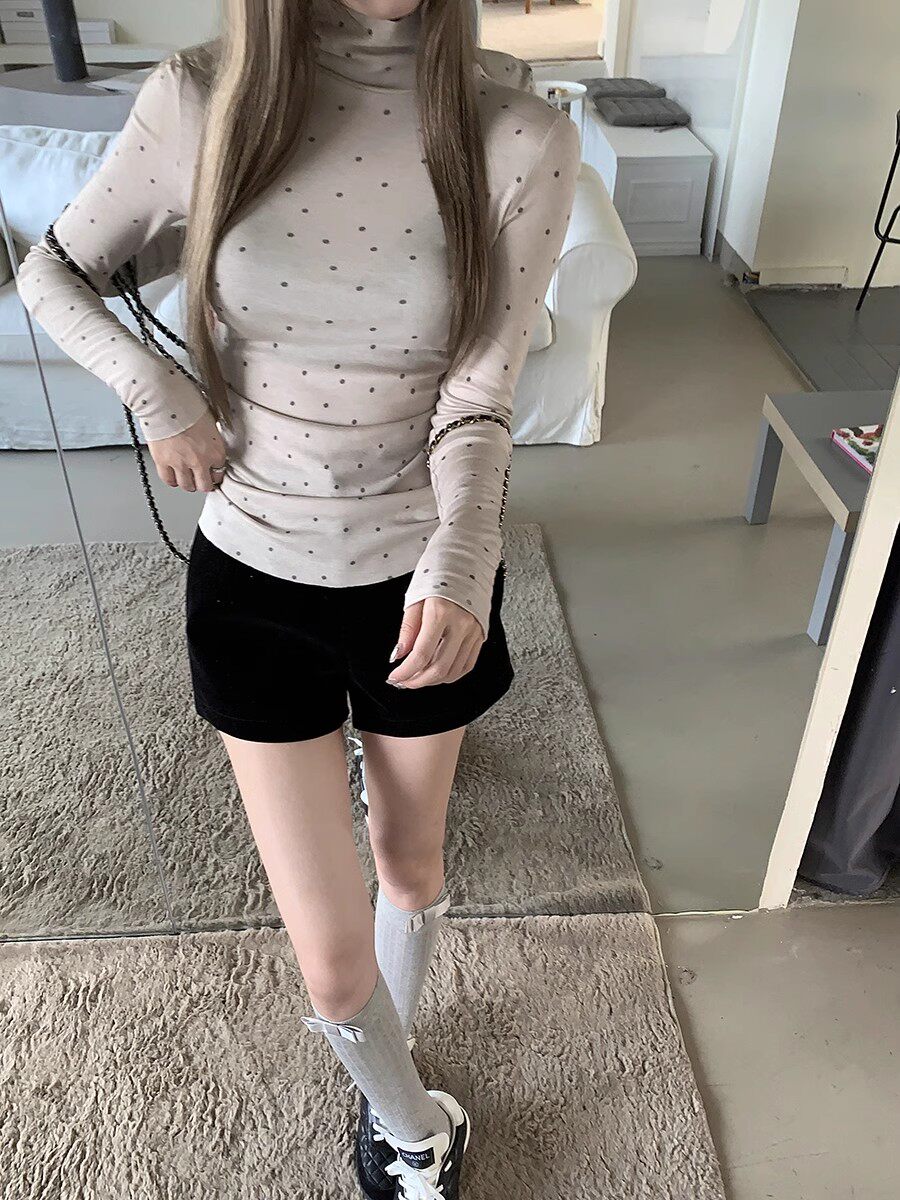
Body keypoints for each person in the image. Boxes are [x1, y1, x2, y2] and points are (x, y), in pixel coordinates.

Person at [15, 0, 580, 1193]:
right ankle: (411, 1126)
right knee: (329, 961)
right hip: (254, 577)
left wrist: (465, 552)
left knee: (410, 864)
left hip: (424, 581)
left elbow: (479, 394)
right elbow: (53, 268)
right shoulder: (199, 98)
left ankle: (397, 1057)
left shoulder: (519, 135)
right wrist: (159, 392)